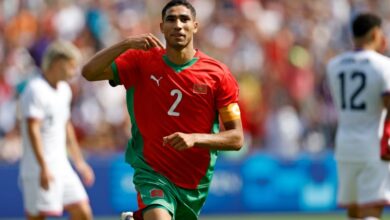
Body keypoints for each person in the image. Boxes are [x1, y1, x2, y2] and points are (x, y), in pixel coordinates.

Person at [82, 0, 244, 219]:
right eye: (171, 19)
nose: (178, 25)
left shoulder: (218, 75)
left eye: (184, 19)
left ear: (195, 26)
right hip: (152, 171)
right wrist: (125, 44)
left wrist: (195, 139)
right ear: (161, 27)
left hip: (193, 181)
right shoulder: (140, 61)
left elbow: (236, 138)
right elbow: (89, 72)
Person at [19, 40, 95, 220]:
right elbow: (33, 130)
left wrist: (79, 162)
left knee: (83, 212)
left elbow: (66, 125)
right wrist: (43, 167)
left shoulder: (64, 90)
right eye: (71, 66)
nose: (74, 71)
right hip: (38, 168)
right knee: (37, 217)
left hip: (62, 166)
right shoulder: (35, 89)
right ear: (57, 63)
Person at [326, 13, 390, 220]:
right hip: (375, 144)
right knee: (372, 210)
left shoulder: (334, 65)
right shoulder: (383, 65)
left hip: (345, 144)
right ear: (375, 33)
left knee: (353, 212)